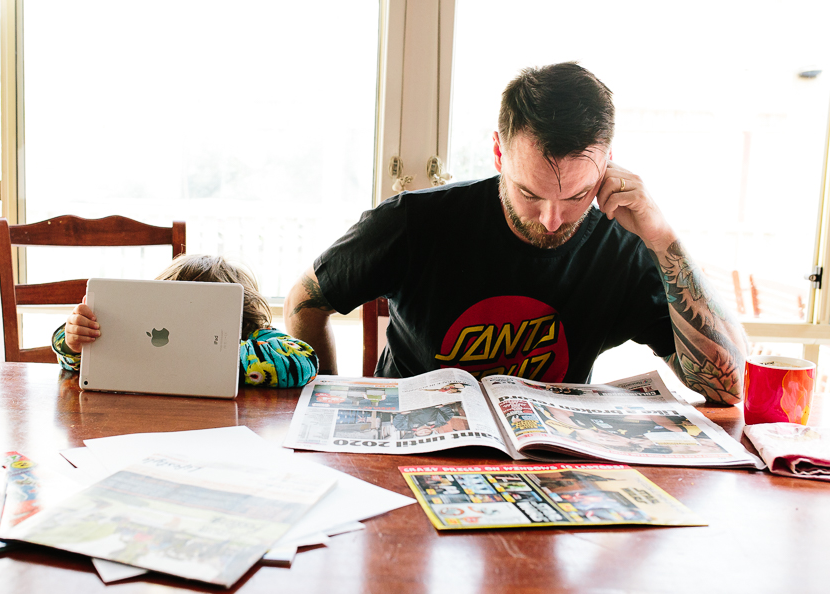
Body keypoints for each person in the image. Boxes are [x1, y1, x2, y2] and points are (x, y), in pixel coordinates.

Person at [284, 62, 746, 404]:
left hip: (547, 467)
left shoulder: (625, 244)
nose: (550, 219)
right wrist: (323, 402)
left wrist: (663, 238)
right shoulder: (415, 222)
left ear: (607, 165)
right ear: (498, 153)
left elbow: (727, 386)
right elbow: (303, 302)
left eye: (575, 197)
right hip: (410, 451)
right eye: (529, 193)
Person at [53, 254, 318, 388]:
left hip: (225, 431)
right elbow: (77, 365)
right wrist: (74, 341)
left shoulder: (256, 337)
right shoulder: (143, 338)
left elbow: (305, 361)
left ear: (240, 314)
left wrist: (215, 353)